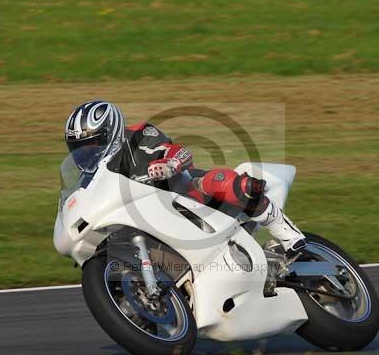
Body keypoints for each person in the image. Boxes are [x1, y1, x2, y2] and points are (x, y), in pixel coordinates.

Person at [64, 100, 306, 254]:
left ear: (112, 134)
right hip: (150, 222)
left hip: (186, 199)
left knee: (220, 182)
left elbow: (183, 153)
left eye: (93, 145)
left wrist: (168, 165)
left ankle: (284, 230)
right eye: (80, 148)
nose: (87, 154)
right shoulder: (92, 178)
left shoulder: (139, 137)